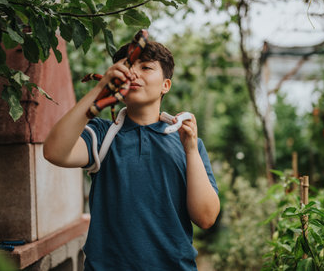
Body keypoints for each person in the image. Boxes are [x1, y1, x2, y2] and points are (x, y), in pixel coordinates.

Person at [43, 39, 220, 271]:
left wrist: (190, 150)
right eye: (127, 67)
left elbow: (206, 217)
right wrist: (99, 90)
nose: (133, 73)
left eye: (146, 67)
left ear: (166, 85)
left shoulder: (188, 142)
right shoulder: (102, 134)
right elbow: (54, 152)